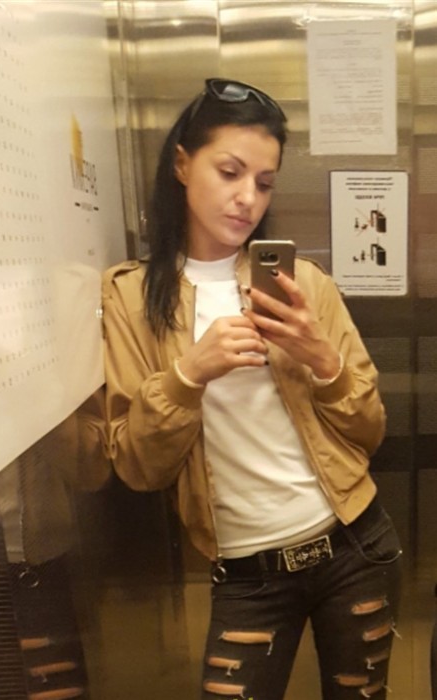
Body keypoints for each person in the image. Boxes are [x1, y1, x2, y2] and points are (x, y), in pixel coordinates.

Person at [102, 78, 402, 700]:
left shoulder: (306, 284)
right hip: (247, 575)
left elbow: (370, 430)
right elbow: (136, 465)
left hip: (355, 546)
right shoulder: (130, 297)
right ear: (181, 164)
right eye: (229, 172)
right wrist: (189, 375)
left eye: (264, 183)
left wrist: (322, 359)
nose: (247, 199)